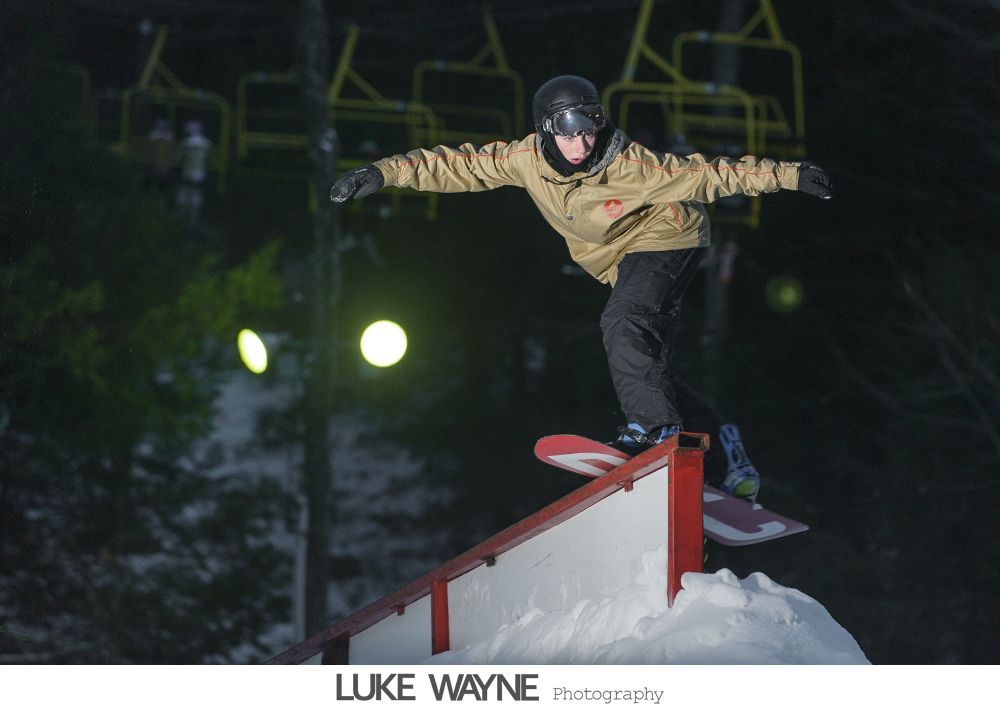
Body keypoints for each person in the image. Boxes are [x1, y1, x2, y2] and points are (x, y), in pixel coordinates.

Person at [329, 75, 832, 500]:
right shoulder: (523, 159)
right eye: (569, 132)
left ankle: (659, 431)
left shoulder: (629, 164)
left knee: (622, 323)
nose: (583, 144)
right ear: (547, 128)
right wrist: (381, 173)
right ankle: (726, 451)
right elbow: (455, 165)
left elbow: (708, 175)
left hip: (668, 238)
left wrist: (788, 175)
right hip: (621, 262)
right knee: (644, 360)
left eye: (590, 128)